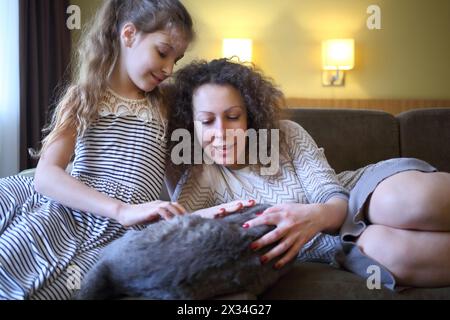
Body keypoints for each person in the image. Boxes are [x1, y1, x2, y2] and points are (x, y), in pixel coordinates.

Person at [166, 58, 450, 289]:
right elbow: (176, 235)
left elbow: (335, 200)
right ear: (191, 124)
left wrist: (310, 217)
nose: (221, 134)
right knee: (383, 250)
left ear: (250, 116)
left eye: (232, 117)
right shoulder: (196, 173)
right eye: (206, 121)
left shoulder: (286, 136)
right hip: (341, 246)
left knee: (397, 203)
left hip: (355, 196)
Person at [0, 0, 194, 300]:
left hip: (121, 234)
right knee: (12, 266)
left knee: (65, 289)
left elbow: (176, 180)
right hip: (70, 214)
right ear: (128, 35)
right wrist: (121, 210)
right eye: (162, 52)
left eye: (176, 60)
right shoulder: (83, 97)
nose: (169, 69)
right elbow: (46, 176)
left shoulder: (164, 105)